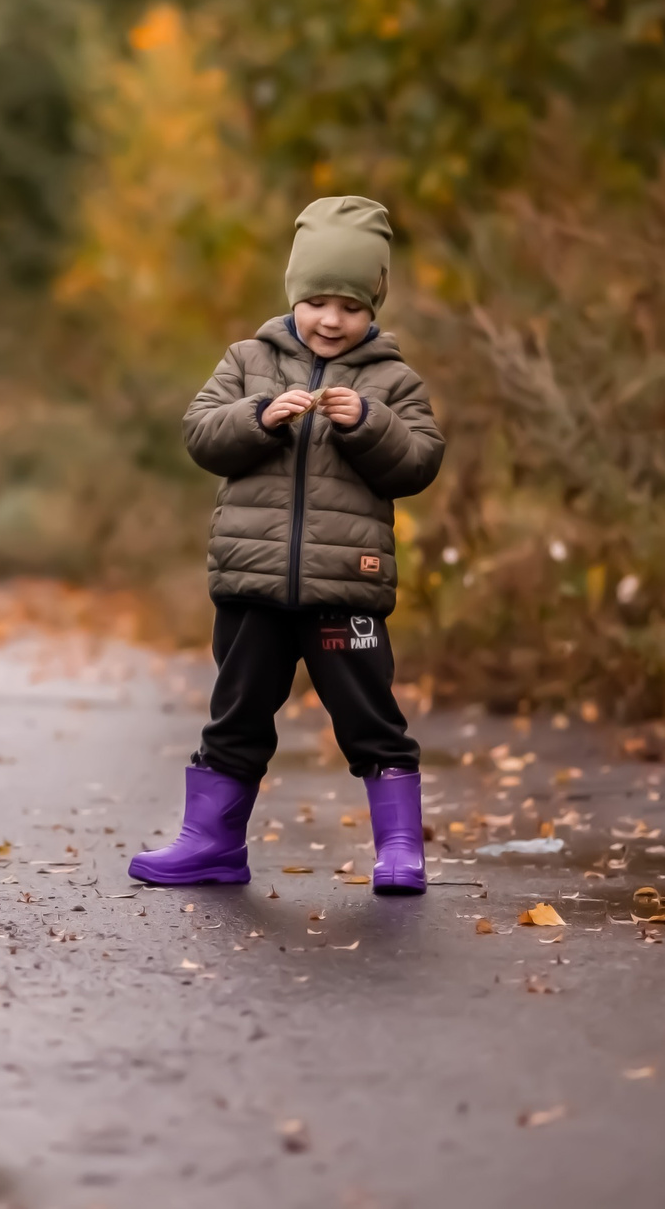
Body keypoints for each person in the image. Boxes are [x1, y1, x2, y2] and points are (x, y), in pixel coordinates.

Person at [128, 195, 445, 893]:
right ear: (295, 294)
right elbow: (201, 435)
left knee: (371, 719)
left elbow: (420, 460)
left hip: (345, 586)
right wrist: (257, 418)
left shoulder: (393, 380)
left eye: (352, 306)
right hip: (253, 585)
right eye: (319, 301)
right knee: (236, 713)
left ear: (374, 309)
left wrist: (369, 422)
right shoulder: (247, 360)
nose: (332, 319)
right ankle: (210, 844)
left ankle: (400, 848)